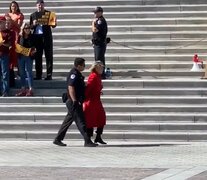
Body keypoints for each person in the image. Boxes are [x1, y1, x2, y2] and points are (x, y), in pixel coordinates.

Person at [53, 58, 97, 147]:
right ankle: (87, 140)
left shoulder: (78, 74)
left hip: (74, 101)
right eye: (83, 65)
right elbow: (71, 87)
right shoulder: (74, 74)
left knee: (68, 121)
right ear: (79, 65)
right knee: (81, 121)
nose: (84, 67)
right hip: (73, 101)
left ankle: (58, 139)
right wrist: (74, 100)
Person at [30, 0, 56, 80]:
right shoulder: (33, 15)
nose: (40, 6)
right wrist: (33, 24)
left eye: (41, 5)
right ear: (36, 6)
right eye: (38, 5)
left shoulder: (49, 13)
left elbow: (54, 25)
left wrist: (53, 21)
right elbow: (30, 27)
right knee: (38, 56)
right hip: (37, 37)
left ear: (44, 5)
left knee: (48, 56)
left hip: (46, 37)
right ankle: (38, 75)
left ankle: (49, 75)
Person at [83, 61, 107, 144]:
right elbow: (88, 89)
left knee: (101, 118)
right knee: (91, 120)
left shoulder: (98, 76)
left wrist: (99, 92)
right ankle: (89, 139)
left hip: (97, 101)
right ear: (97, 67)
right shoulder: (93, 76)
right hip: (91, 101)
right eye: (101, 67)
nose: (102, 69)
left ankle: (98, 137)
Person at [5, 1, 24, 87]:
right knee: (9, 54)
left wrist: (11, 21)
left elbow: (19, 26)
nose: (13, 7)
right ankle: (11, 72)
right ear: (10, 7)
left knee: (17, 54)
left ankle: (19, 73)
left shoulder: (20, 15)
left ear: (17, 7)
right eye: (12, 6)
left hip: (16, 36)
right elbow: (5, 24)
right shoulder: (7, 14)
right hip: (8, 35)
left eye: (15, 6)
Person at [15, 23, 36, 96]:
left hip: (29, 57)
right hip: (21, 56)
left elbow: (35, 47)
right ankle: (23, 88)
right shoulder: (20, 37)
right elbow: (17, 45)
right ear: (23, 29)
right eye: (26, 28)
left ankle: (30, 89)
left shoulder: (32, 36)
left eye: (29, 28)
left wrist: (34, 50)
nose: (28, 30)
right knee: (22, 73)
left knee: (29, 72)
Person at [91, 7, 108, 79]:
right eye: (94, 12)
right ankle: (101, 74)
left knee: (99, 59)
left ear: (100, 12)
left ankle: (101, 74)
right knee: (99, 59)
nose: (95, 13)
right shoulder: (98, 20)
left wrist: (92, 23)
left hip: (100, 43)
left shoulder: (100, 21)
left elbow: (95, 30)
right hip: (97, 43)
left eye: (96, 12)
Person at [0, 17, 15, 96]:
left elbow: (9, 44)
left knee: (5, 73)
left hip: (4, 55)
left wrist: (2, 44)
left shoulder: (8, 32)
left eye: (1, 22)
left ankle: (5, 91)